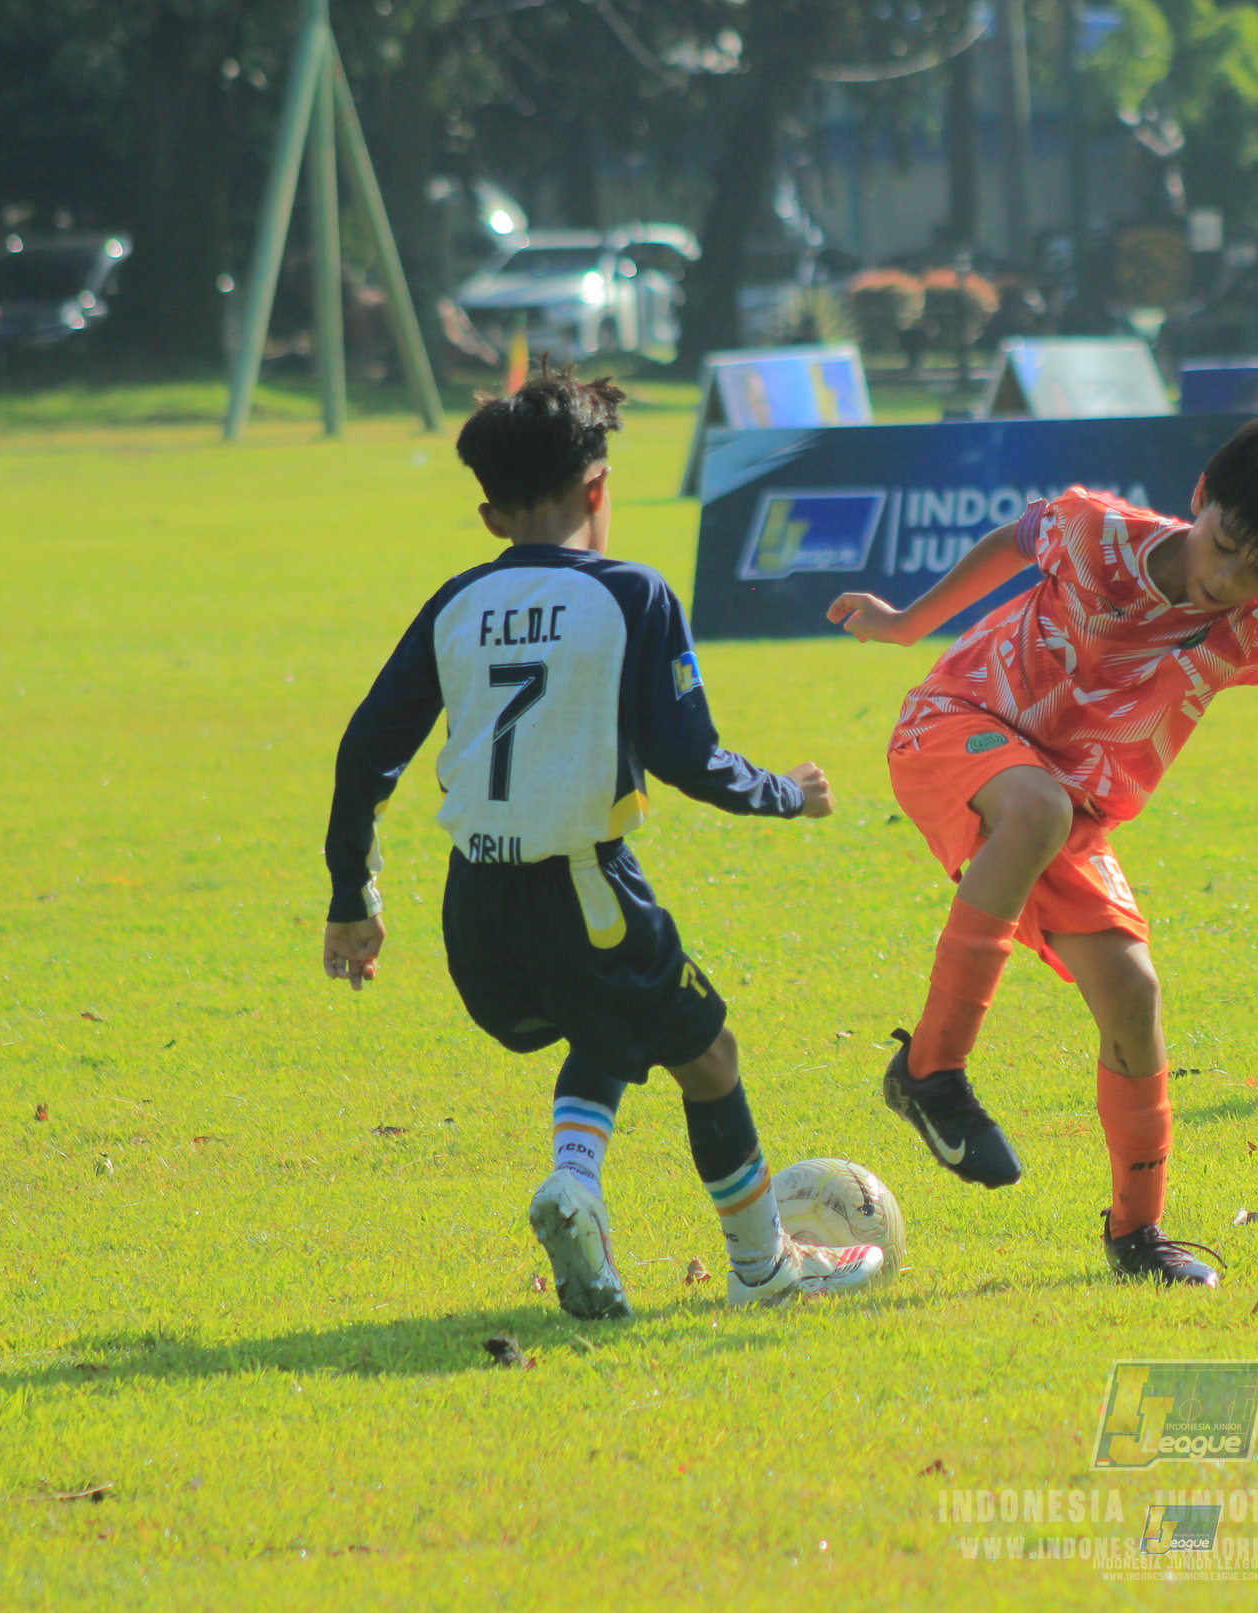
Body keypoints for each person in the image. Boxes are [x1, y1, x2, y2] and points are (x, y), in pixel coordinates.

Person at [319, 364, 884, 1319]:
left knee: (607, 1026)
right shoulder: (632, 594)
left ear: (492, 516)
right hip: (588, 892)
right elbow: (689, 757)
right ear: (598, 491)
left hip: (476, 909)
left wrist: (351, 897)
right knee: (711, 1058)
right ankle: (764, 1268)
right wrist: (786, 794)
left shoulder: (454, 602)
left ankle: (575, 1184)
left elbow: (366, 748)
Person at [826, 417, 1258, 1287]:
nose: (1229, 580)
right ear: (1202, 496)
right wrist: (908, 624)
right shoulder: (1099, 531)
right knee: (1034, 805)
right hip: (952, 728)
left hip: (1062, 812)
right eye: (1225, 548)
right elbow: (1011, 541)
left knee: (1133, 995)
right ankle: (932, 1068)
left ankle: (1137, 1237)